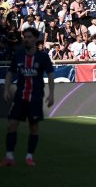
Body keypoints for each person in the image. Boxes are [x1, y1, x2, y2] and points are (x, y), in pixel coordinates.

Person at [2, 27, 54, 167]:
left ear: (36, 39)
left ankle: (29, 157)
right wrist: (6, 89)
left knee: (34, 127)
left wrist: (52, 94)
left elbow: (50, 74)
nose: (27, 39)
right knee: (11, 125)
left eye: (30, 37)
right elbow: (10, 73)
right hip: (20, 96)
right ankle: (9, 157)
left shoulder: (42, 56)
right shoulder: (18, 55)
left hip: (35, 97)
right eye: (25, 36)